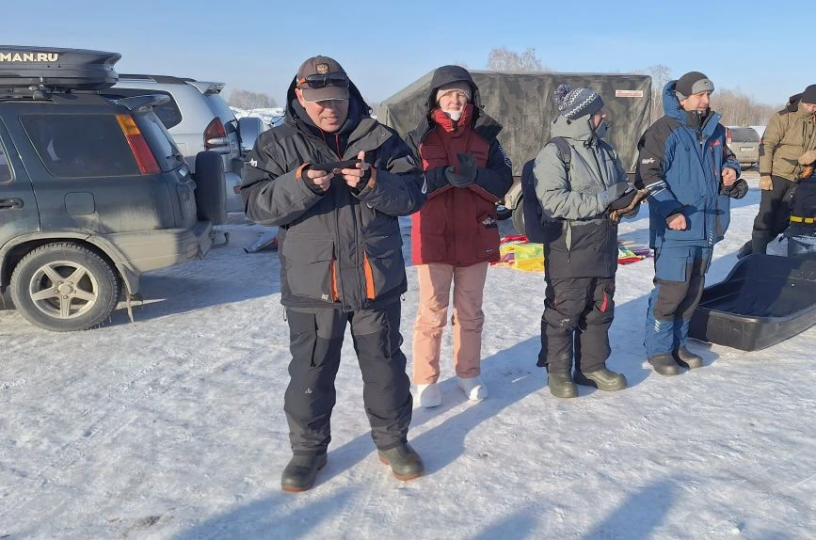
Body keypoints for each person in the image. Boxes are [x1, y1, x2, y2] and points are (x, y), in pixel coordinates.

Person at [240, 55, 426, 492]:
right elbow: (255, 205)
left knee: (385, 369)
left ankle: (393, 442)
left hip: (375, 279)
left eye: (337, 98)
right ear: (300, 97)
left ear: (349, 94)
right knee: (311, 373)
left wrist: (374, 183)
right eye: (320, 100)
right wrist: (301, 184)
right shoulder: (275, 144)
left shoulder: (382, 139)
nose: (330, 108)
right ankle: (308, 451)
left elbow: (413, 194)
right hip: (312, 285)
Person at [405, 66, 514, 408]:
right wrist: (443, 177)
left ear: (470, 98)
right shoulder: (418, 138)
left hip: (475, 234)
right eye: (448, 93)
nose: (454, 99)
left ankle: (469, 374)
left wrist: (475, 177)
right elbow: (407, 185)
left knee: (470, 312)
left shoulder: (486, 136)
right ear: (435, 98)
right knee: (431, 312)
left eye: (461, 94)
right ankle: (425, 380)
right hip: (433, 236)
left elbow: (503, 182)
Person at [636, 71, 746, 376]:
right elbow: (647, 177)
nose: (706, 101)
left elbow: (729, 158)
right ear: (683, 99)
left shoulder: (716, 130)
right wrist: (670, 211)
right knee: (671, 291)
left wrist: (731, 171)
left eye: (708, 95)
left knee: (693, 291)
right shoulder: (663, 131)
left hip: (708, 225)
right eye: (700, 95)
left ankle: (679, 344)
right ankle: (659, 349)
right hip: (676, 228)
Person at [533, 84, 637, 399]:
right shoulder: (555, 152)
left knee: (600, 309)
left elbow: (621, 187)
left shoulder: (606, 150)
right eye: (598, 112)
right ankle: (559, 372)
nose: (603, 116)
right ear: (582, 116)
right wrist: (605, 199)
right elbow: (554, 202)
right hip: (569, 248)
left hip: (604, 244)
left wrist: (629, 202)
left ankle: (592, 367)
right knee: (565, 311)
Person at [741, 84, 816, 257]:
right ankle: (758, 257)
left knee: (783, 221)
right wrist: (765, 174)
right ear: (802, 101)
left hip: (801, 176)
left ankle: (750, 248)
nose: (812, 109)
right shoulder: (783, 117)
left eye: (815, 106)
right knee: (766, 216)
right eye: (808, 105)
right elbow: (766, 145)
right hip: (777, 173)